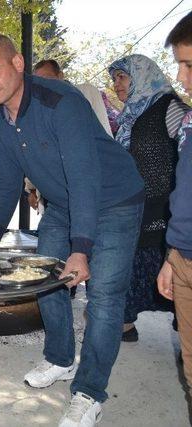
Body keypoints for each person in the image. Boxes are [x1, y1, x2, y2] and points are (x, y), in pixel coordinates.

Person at [0, 34, 144, 427]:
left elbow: (84, 176)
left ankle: (90, 392)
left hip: (114, 198)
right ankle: (61, 359)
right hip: (62, 203)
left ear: (18, 64)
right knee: (46, 282)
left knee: (105, 298)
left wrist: (81, 248)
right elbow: (8, 185)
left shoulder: (60, 101)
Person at [108, 54, 189, 342]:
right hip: (134, 207)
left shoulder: (170, 108)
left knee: (174, 271)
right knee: (129, 266)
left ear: (141, 76)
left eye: (121, 76)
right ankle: (126, 324)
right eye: (114, 78)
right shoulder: (131, 115)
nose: (116, 84)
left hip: (166, 211)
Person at [158, 10, 192, 404]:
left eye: (189, 64)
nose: (181, 79)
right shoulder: (190, 124)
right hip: (183, 258)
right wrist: (173, 256)